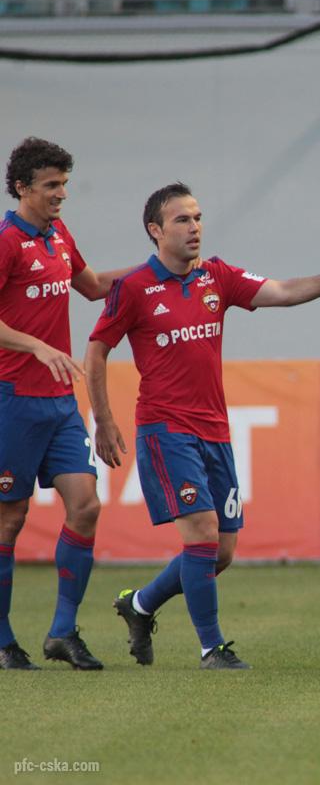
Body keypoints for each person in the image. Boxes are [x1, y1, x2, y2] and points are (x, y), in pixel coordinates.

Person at [84, 182, 320, 669]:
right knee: (201, 533)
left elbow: (283, 291)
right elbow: (96, 351)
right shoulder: (134, 288)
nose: (195, 227)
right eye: (182, 219)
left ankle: (140, 604)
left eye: (197, 217)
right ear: (156, 230)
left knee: (220, 551)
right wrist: (104, 420)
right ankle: (211, 648)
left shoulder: (217, 276)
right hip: (166, 430)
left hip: (214, 431)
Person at [0, 137, 132, 671]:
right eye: (51, 185)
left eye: (64, 184)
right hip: (12, 400)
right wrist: (36, 345)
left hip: (59, 401)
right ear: (22, 187)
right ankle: (3, 641)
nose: (61, 194)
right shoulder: (7, 241)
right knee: (9, 519)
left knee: (86, 505)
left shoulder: (59, 235)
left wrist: (155, 270)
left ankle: (62, 632)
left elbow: (94, 286)